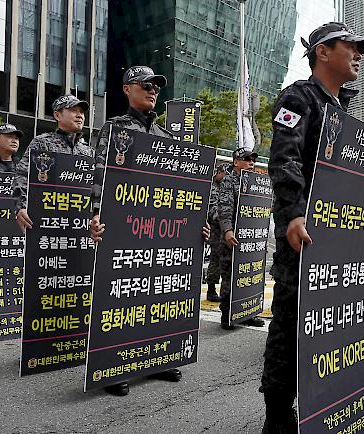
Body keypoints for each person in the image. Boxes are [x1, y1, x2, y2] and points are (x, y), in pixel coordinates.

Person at [262, 22, 364, 433]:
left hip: (337, 236)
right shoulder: (298, 97)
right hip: (303, 233)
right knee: (290, 322)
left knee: (329, 321)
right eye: (351, 47)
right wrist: (292, 212)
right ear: (323, 52)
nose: (358, 54)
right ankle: (276, 412)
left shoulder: (340, 111)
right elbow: (284, 157)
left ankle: (319, 402)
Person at [90, 65, 209, 397]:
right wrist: (96, 214)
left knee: (159, 289)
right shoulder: (114, 129)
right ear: (127, 89)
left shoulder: (166, 138)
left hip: (162, 228)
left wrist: (197, 223)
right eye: (145, 85)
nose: (152, 89)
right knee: (122, 291)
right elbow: (101, 175)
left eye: (156, 86)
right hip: (124, 224)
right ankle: (115, 364)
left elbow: (181, 189)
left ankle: (159, 355)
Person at [12, 95, 94, 233]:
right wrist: (21, 207)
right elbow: (22, 175)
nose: (80, 115)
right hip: (47, 220)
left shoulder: (88, 151)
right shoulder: (42, 143)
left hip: (78, 223)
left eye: (81, 112)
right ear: (57, 115)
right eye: (73, 110)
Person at [216, 149, 265, 330]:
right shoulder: (229, 180)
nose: (251, 162)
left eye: (253, 159)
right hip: (234, 238)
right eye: (247, 159)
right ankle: (227, 314)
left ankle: (249, 313)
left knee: (251, 276)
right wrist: (228, 231)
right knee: (230, 276)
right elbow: (224, 207)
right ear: (236, 162)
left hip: (252, 240)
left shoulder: (256, 182)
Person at [205, 163, 231, 302]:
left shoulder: (226, 186)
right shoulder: (212, 187)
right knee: (215, 260)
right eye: (225, 174)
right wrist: (226, 219)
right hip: (216, 230)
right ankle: (211, 289)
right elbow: (212, 210)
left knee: (225, 262)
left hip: (226, 230)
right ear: (219, 172)